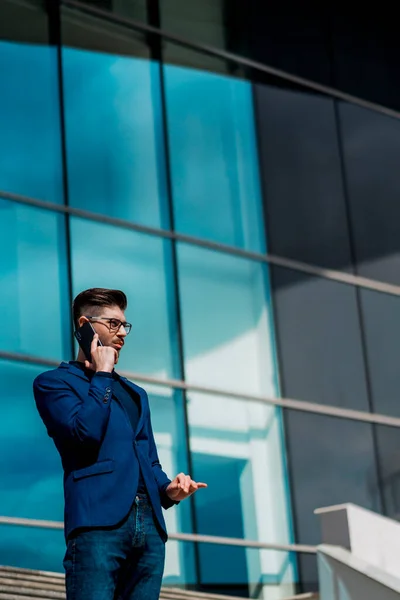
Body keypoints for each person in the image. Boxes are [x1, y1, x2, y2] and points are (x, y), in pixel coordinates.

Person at [33, 288, 207, 600]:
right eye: (113, 324)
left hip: (149, 527)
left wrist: (170, 490)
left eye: (124, 325)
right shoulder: (53, 383)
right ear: (85, 325)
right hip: (98, 523)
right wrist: (102, 373)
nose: (122, 333)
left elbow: (148, 460)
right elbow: (83, 434)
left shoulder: (136, 394)